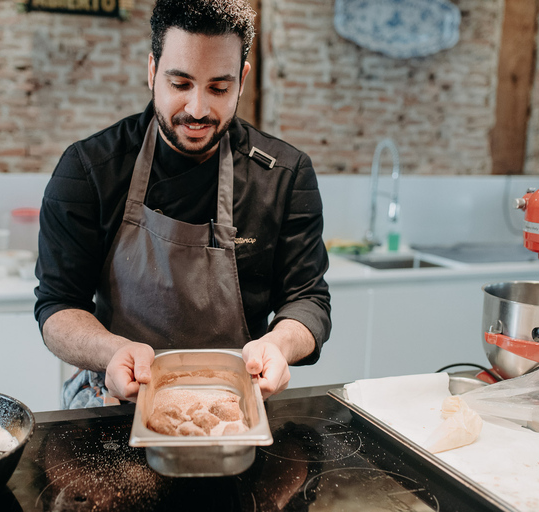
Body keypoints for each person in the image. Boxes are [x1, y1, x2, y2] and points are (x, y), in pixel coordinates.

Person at [34, 0, 331, 409]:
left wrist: (279, 345)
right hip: (115, 403)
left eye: (219, 88)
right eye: (180, 84)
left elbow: (308, 297)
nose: (197, 109)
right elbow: (57, 306)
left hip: (233, 405)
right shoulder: (90, 169)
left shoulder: (284, 175)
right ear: (152, 70)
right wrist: (111, 352)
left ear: (242, 80)